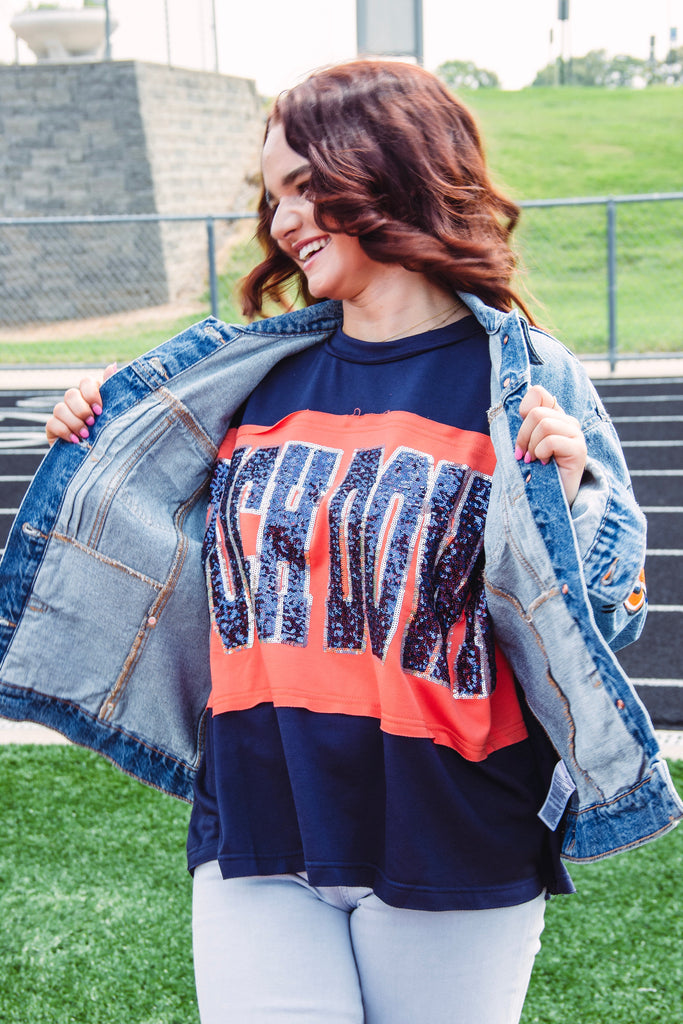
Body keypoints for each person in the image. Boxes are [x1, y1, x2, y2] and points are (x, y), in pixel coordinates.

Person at [13, 59, 680, 1023]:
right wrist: (102, 439)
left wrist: (571, 501)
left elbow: (605, 620)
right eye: (271, 194)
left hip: (453, 826)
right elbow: (158, 551)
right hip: (261, 811)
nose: (281, 220)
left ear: (390, 170)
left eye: (303, 184)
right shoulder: (246, 378)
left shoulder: (526, 381)